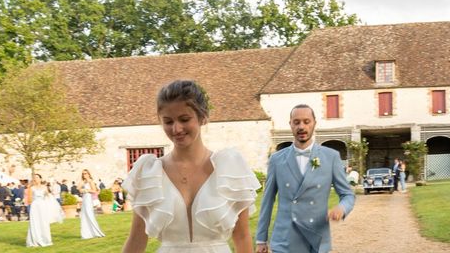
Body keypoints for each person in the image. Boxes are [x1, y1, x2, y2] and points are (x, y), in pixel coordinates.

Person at [122, 79, 260, 253]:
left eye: (184, 119)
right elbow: (136, 239)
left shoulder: (229, 168)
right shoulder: (149, 173)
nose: (176, 129)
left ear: (202, 117)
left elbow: (242, 237)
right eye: (168, 121)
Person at [256, 104, 355, 253]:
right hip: (284, 241)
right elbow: (267, 200)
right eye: (296, 122)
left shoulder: (331, 157)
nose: (301, 126)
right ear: (290, 124)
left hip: (315, 239)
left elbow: (347, 194)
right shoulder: (276, 159)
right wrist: (261, 239)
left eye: (306, 121)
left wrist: (342, 208)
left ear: (314, 123)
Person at [25, 173, 63, 247]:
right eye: (34, 178)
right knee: (35, 222)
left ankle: (45, 239)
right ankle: (35, 240)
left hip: (42, 206)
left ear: (40, 179)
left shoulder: (44, 187)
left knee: (43, 222)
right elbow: (29, 200)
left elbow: (48, 196)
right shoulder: (31, 188)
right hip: (35, 206)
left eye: (37, 177)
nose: (36, 179)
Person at [79, 169, 105, 239]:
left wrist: (86, 190)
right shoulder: (84, 182)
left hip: (88, 199)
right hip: (84, 198)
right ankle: (86, 234)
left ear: (88, 174)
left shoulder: (91, 181)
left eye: (85, 173)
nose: (84, 175)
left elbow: (94, 191)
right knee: (84, 215)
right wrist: (82, 189)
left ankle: (97, 232)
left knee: (90, 214)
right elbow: (79, 189)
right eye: (83, 174)